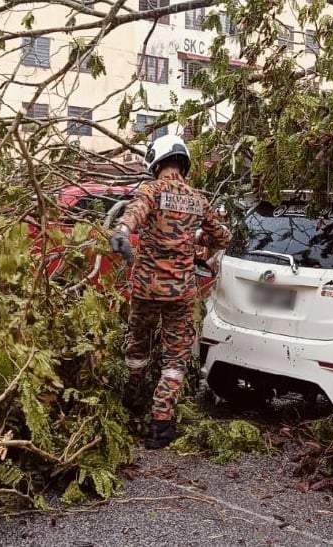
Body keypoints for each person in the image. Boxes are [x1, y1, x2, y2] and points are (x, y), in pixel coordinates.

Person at [108, 134, 230, 448]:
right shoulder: (198, 199)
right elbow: (221, 237)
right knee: (174, 360)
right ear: (183, 162)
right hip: (180, 292)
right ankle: (160, 426)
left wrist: (121, 232)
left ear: (155, 161)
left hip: (147, 288)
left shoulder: (152, 189)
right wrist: (197, 239)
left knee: (137, 349)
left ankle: (130, 407)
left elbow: (134, 213)